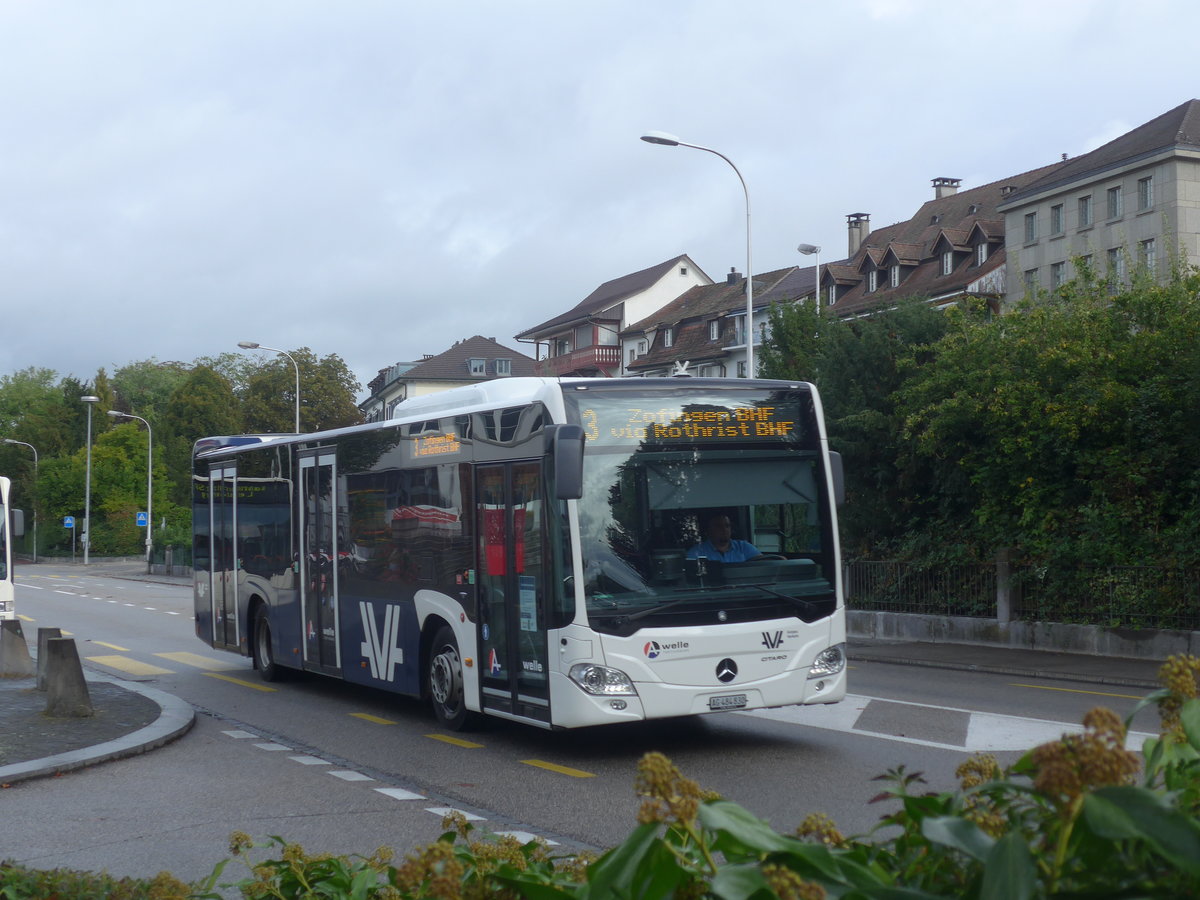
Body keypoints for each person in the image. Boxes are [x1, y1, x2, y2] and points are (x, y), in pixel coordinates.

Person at [687, 513, 763, 563]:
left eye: (727, 526)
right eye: (718, 526)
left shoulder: (744, 547)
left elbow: (762, 565)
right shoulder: (696, 552)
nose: (724, 529)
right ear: (708, 530)